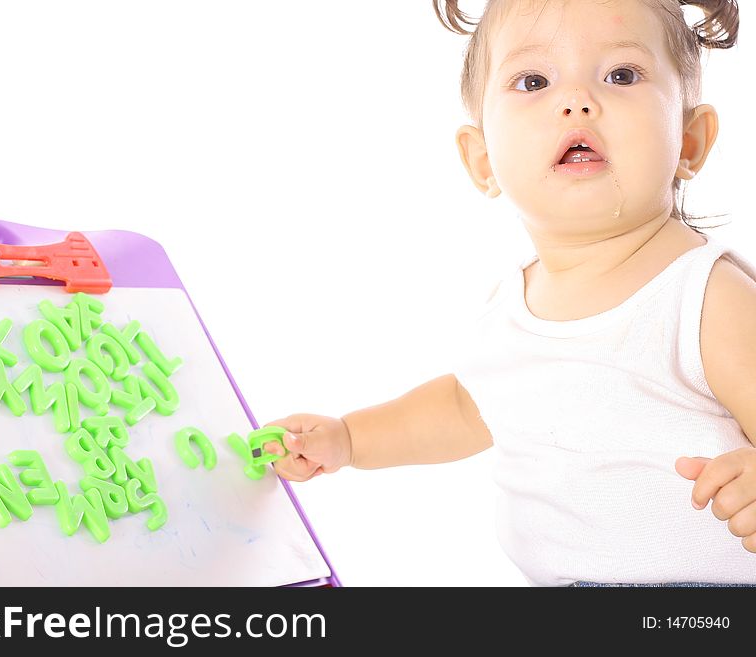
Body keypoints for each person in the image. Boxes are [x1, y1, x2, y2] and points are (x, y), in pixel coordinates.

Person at [262, 0, 756, 587]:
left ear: (690, 141)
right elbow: (466, 408)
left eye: (621, 75)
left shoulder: (704, 298)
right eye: (534, 81)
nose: (576, 102)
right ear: (482, 160)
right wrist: (349, 438)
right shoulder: (513, 304)